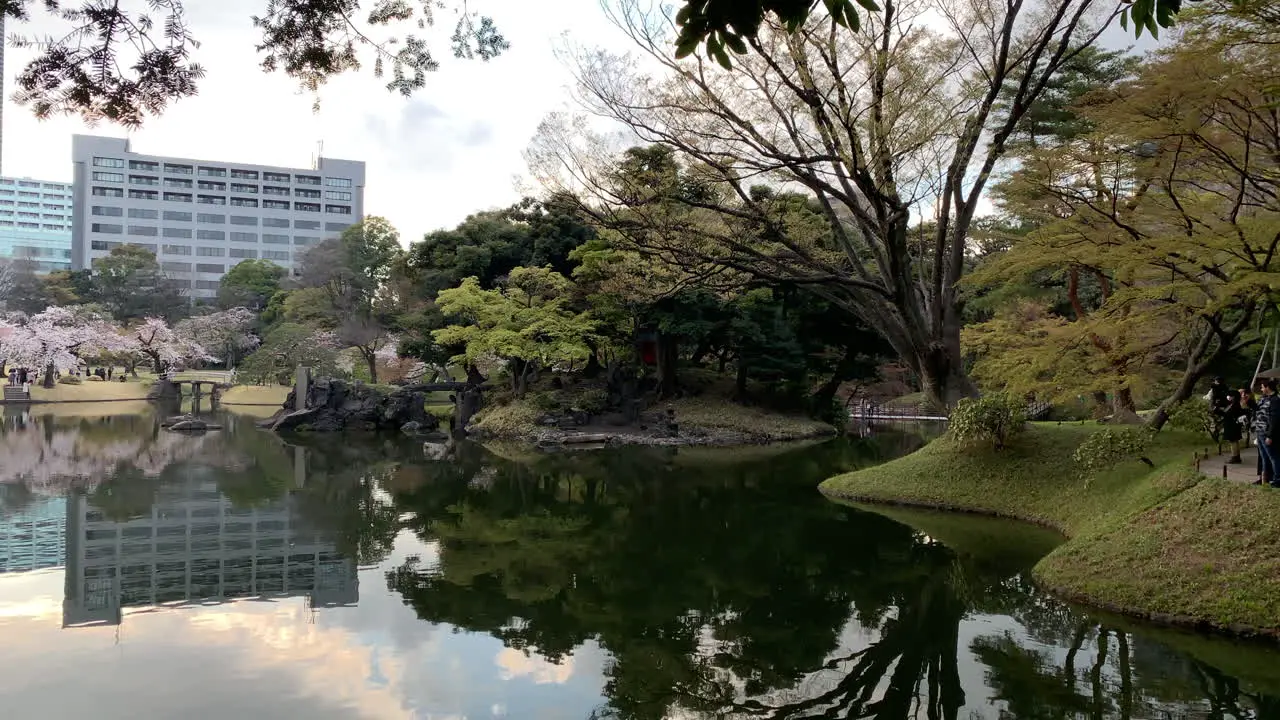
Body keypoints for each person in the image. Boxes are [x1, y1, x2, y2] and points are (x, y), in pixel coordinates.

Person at [1252, 379, 1280, 486]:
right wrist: (1249, 401)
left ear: (1268, 387)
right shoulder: (1263, 398)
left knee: (1273, 456)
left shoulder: (1275, 400)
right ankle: (1265, 477)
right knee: (1264, 457)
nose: (1261, 389)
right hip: (1259, 431)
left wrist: (1270, 435)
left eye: (1262, 387)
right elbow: (1257, 408)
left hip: (1267, 432)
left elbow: (1275, 419)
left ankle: (1277, 479)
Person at [1223, 391, 1248, 463]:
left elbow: (1228, 414)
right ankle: (1237, 456)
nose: (1228, 397)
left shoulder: (1234, 405)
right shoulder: (1234, 404)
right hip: (1233, 424)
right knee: (1235, 441)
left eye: (1230, 396)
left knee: (1233, 441)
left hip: (1232, 425)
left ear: (1233, 397)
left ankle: (1234, 457)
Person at [1209, 376, 1230, 441]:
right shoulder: (1225, 387)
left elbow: (1215, 396)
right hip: (1223, 406)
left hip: (1217, 406)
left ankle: (1217, 430)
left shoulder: (1215, 387)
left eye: (1216, 381)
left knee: (1217, 419)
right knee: (1222, 419)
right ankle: (1218, 429)